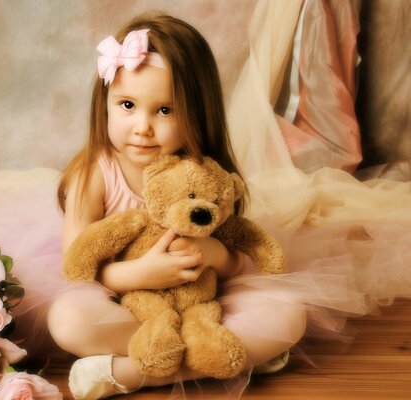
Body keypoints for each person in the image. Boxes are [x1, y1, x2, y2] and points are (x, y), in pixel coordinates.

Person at [47, 13, 307, 399]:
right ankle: (231, 357)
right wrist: (142, 274)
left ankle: (130, 373)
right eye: (127, 105)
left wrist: (215, 253)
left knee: (290, 314)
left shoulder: (203, 173)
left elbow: (242, 266)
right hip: (124, 305)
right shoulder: (95, 173)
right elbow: (78, 269)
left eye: (164, 110)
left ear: (198, 114)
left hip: (203, 304)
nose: (142, 127)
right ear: (104, 103)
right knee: (68, 320)